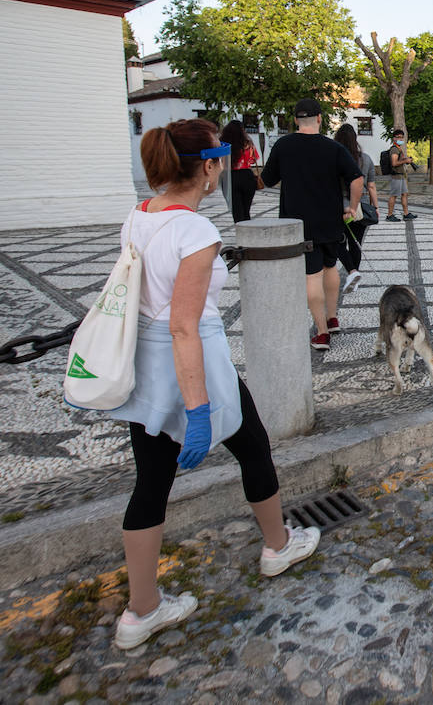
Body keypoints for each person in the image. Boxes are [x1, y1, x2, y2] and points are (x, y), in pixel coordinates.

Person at [110, 119, 319, 651]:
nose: (222, 166)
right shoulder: (195, 231)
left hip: (147, 364)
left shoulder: (139, 216)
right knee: (252, 445)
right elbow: (184, 324)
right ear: (207, 166)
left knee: (150, 483)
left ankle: (141, 610)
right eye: (219, 158)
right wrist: (199, 407)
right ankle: (277, 545)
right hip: (193, 358)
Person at [260, 99, 363, 350]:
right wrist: (351, 207)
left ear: (295, 120)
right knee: (330, 267)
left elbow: (267, 180)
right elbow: (357, 178)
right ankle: (332, 317)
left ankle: (322, 332)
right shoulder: (333, 148)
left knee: (311, 276)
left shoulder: (283, 146)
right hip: (330, 221)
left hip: (299, 224)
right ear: (319, 118)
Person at [333, 122, 377, 294]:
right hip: (360, 205)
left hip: (339, 206)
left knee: (337, 242)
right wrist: (375, 206)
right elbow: (371, 185)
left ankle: (351, 271)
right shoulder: (365, 159)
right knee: (356, 243)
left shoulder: (334, 158)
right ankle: (354, 275)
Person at [219, 120, 263, 224]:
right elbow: (253, 159)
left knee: (236, 210)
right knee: (246, 210)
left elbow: (220, 162)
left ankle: (240, 231)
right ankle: (247, 232)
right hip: (247, 176)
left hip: (230, 177)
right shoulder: (248, 144)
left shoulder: (223, 145)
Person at [384, 129, 414, 221]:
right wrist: (405, 161)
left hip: (401, 175)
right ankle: (389, 215)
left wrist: (405, 159)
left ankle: (406, 214)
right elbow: (394, 163)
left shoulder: (399, 148)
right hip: (396, 176)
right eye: (398, 137)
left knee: (404, 194)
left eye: (401, 137)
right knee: (394, 195)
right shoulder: (394, 149)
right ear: (394, 138)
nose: (400, 139)